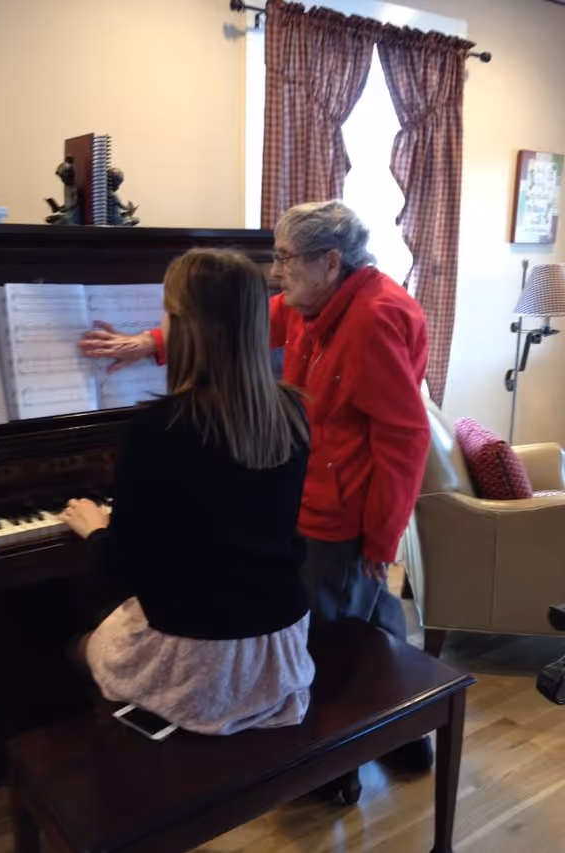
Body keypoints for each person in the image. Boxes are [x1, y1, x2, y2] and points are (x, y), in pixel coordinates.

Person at [79, 201, 431, 771]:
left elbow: (405, 434)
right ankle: (394, 726)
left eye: (286, 259)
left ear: (330, 261)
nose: (275, 272)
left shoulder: (375, 318)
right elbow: (240, 317)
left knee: (343, 627)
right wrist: (152, 343)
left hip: (343, 508)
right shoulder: (314, 306)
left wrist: (382, 538)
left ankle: (343, 756)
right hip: (300, 492)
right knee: (350, 615)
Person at [62, 248, 314, 735]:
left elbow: (121, 569)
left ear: (183, 325)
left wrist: (95, 529)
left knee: (78, 638)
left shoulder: (159, 429)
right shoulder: (289, 411)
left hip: (203, 661)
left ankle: (118, 763)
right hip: (279, 642)